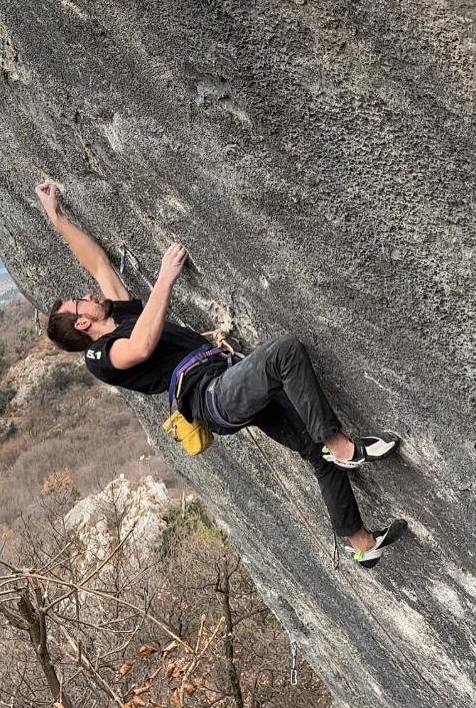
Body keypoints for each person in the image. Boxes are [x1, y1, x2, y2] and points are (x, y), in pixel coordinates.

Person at [36, 178, 406, 569]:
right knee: (284, 353)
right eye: (83, 303)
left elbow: (96, 262)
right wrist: (165, 277)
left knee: (315, 454)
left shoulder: (120, 312)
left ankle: (362, 543)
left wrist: (55, 216)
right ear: (80, 325)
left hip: (223, 376)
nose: (92, 296)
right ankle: (345, 447)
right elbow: (142, 346)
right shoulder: (100, 354)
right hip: (210, 397)